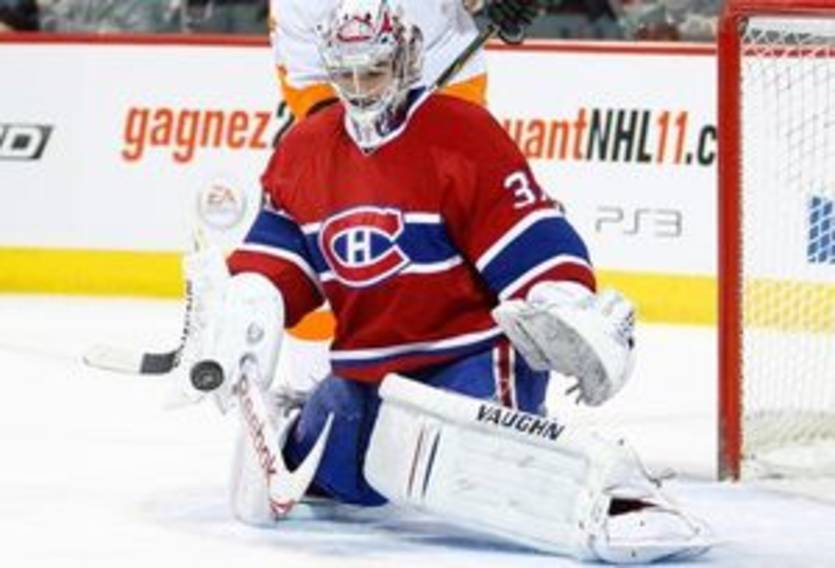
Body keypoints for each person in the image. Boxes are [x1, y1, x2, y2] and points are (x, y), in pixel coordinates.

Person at [182, 0, 711, 561]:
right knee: (341, 463)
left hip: (468, 355)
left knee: (477, 463)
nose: (360, 90)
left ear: (405, 61)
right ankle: (301, 423)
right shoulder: (304, 150)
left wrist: (562, 298)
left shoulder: (462, 133)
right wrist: (243, 307)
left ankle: (611, 490)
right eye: (347, 74)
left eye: (373, 71)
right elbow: (278, 259)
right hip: (370, 369)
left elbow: (527, 232)